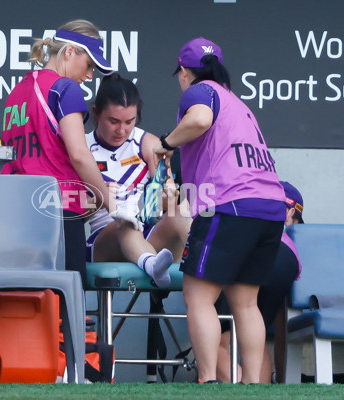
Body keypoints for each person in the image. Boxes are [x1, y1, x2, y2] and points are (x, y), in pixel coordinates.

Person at [154, 37, 287, 384]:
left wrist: (166, 144)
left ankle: (209, 381)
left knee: (198, 296)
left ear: (184, 72)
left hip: (231, 204)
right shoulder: (237, 102)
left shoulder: (200, 92)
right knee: (245, 303)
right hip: (271, 207)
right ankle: (252, 385)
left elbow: (198, 120)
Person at [1, 20, 142, 284]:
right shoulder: (65, 89)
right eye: (89, 65)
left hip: (17, 212)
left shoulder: (17, 92)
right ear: (69, 52)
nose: (89, 75)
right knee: (67, 306)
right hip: (58, 213)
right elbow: (79, 154)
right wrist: (112, 205)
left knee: (29, 299)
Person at [86, 73, 192, 286]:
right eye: (113, 121)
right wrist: (100, 200)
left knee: (182, 210)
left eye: (129, 121)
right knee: (125, 220)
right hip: (105, 241)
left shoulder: (146, 142)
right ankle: (153, 265)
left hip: (148, 231)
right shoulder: (82, 147)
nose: (122, 130)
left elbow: (168, 201)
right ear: (96, 113)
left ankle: (213, 264)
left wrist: (161, 195)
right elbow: (72, 211)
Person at [215, 181, 304, 384]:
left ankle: (237, 386)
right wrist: (283, 380)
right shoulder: (289, 239)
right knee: (256, 338)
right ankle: (259, 390)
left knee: (219, 339)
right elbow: (283, 334)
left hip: (250, 251)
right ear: (290, 213)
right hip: (287, 261)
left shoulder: (249, 211)